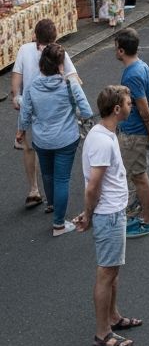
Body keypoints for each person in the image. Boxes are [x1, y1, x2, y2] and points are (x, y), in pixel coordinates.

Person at [74, 84, 137, 346]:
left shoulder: (105, 133)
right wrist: (88, 215)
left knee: (113, 271)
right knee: (106, 273)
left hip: (112, 211)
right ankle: (102, 333)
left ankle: (113, 316)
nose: (131, 106)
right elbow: (92, 186)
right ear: (117, 109)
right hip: (108, 214)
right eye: (129, 103)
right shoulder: (101, 141)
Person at [15, 40, 92, 239]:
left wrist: (21, 131)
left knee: (48, 175)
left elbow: (25, 113)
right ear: (60, 65)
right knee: (62, 179)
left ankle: (51, 204)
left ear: (42, 64)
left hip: (41, 139)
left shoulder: (32, 87)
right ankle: (59, 224)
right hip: (66, 139)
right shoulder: (69, 84)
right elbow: (86, 110)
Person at [11, 18, 78, 209]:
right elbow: (73, 78)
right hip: (54, 108)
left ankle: (34, 189)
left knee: (29, 148)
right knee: (55, 149)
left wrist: (16, 97)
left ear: (35, 35)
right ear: (55, 37)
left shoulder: (24, 50)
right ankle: (54, 197)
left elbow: (16, 76)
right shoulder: (59, 52)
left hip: (29, 105)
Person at [113, 29, 149, 238]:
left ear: (121, 50)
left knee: (138, 177)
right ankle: (140, 214)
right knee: (136, 175)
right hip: (136, 131)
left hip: (134, 134)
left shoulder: (132, 75)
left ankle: (148, 220)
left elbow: (143, 109)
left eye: (116, 47)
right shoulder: (141, 66)